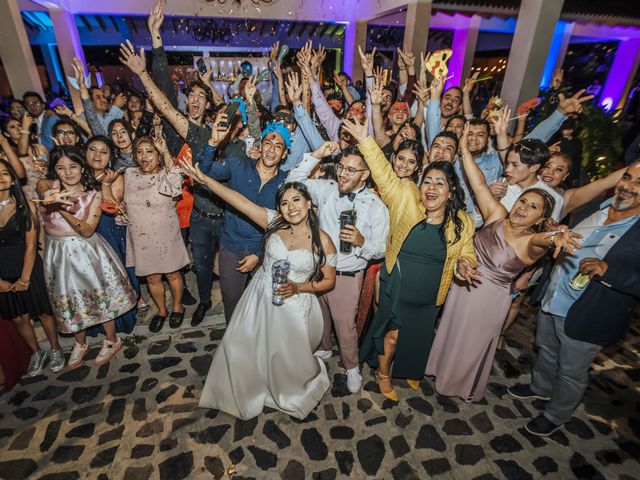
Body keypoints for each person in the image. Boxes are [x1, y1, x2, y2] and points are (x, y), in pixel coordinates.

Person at [426, 124, 581, 401]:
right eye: (523, 202)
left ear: (540, 218)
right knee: (450, 329)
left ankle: (456, 384)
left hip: (490, 299)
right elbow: (478, 184)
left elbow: (543, 241)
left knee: (470, 341)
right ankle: (438, 368)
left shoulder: (531, 242)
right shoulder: (497, 214)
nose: (522, 208)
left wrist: (556, 236)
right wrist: (463, 150)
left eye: (532, 207)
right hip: (463, 285)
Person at [183, 162, 337, 420]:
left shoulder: (324, 241)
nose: (291, 208)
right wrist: (206, 181)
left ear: (309, 203)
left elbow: (328, 282)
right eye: (285, 203)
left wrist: (298, 287)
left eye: (297, 200)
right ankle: (247, 385)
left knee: (284, 355)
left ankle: (288, 388)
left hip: (295, 304)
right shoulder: (275, 222)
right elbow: (240, 202)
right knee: (244, 344)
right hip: (260, 296)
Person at [342, 118, 476, 402]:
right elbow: (382, 172)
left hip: (430, 294)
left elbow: (467, 253)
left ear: (451, 191)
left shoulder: (463, 222)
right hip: (398, 284)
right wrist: (365, 140)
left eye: (440, 183)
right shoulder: (405, 195)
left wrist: (466, 266)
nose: (431, 187)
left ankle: (410, 369)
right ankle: (383, 374)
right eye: (427, 180)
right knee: (392, 335)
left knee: (417, 336)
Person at [508, 162, 640, 436]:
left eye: (639, 183)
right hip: (555, 296)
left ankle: (556, 415)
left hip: (588, 313)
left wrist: (608, 271)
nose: (628, 185)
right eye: (627, 177)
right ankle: (540, 387)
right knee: (546, 348)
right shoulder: (600, 208)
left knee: (571, 371)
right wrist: (558, 231)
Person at [286, 140, 389, 394]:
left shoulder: (376, 206)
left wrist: (361, 241)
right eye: (341, 167)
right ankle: (323, 347)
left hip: (347, 273)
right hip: (320, 267)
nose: (343, 173)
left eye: (351, 170)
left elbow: (382, 248)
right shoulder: (327, 189)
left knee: (345, 324)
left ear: (365, 174)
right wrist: (316, 155)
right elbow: (291, 183)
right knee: (319, 314)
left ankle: (352, 366)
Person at [37, 146, 136, 368]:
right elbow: (40, 185)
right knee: (69, 298)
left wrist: (61, 209)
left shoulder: (93, 194)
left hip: (86, 251)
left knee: (99, 295)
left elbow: (88, 229)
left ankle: (111, 340)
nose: (68, 172)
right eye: (61, 168)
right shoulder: (49, 189)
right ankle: (79, 343)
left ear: (82, 168)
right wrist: (48, 196)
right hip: (58, 253)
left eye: (73, 166)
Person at [194, 119, 291, 323]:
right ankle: (234, 348)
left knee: (266, 306)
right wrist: (213, 142)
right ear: (260, 145)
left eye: (278, 146)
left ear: (284, 154)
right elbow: (205, 172)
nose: (271, 150)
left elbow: (283, 226)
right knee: (233, 306)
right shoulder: (238, 165)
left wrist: (258, 254)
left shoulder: (286, 182)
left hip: (265, 253)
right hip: (231, 249)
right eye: (268, 143)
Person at [0, 159, 63, 376]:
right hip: (2, 270)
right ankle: (36, 352)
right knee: (19, 317)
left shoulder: (25, 206)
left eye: (5, 173)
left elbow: (30, 245)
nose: (1, 178)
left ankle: (55, 348)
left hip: (28, 265)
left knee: (43, 311)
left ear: (12, 178)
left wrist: (24, 279)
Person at [124, 136, 190, 332]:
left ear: (159, 156)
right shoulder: (129, 174)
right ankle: (162, 310)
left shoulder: (167, 174)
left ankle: (178, 306)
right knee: (152, 277)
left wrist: (165, 151)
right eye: (140, 152)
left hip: (165, 233)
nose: (144, 156)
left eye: (150, 152)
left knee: (172, 273)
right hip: (141, 236)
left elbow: (176, 185)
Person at [85, 136, 139, 335]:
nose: (97, 155)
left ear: (110, 157)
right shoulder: (78, 175)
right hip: (85, 234)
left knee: (114, 275)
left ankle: (122, 319)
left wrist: (105, 184)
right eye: (93, 149)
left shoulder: (115, 177)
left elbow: (111, 207)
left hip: (108, 230)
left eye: (103, 151)